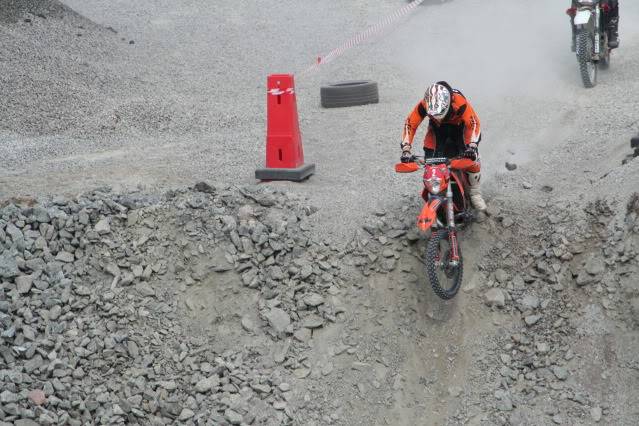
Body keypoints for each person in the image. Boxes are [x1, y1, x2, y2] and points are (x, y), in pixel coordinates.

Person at [400, 81, 487, 211]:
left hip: (460, 128)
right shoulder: (425, 103)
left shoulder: (459, 102)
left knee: (471, 158)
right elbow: (410, 123)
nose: (438, 117)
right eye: (434, 113)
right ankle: (434, 192)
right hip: (437, 129)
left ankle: (475, 192)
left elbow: (474, 123)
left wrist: (472, 146)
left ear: (449, 103)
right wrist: (406, 148)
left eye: (440, 113)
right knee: (430, 161)